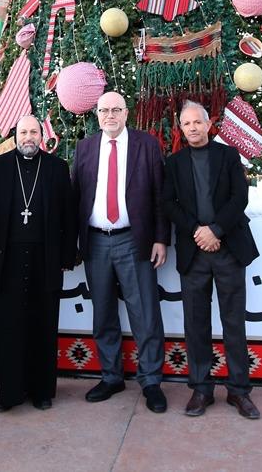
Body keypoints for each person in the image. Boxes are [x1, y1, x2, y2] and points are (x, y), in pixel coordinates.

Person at [70, 91, 170, 413]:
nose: (110, 115)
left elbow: (160, 195)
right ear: (97, 115)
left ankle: (151, 381)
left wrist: (160, 238)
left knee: (145, 313)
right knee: (103, 313)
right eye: (104, 110)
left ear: (126, 113)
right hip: (96, 241)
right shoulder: (85, 148)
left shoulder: (146, 144)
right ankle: (111, 377)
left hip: (134, 240)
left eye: (116, 110)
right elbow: (75, 196)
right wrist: (73, 243)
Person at [161, 101, 262, 419]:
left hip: (228, 248)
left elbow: (239, 197)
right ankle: (201, 389)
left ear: (208, 124)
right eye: (186, 123)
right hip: (194, 253)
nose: (192, 127)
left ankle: (239, 391)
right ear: (181, 128)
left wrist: (216, 230)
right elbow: (168, 203)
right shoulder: (173, 163)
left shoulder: (228, 156)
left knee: (234, 322)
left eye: (197, 122)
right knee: (196, 323)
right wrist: (198, 231)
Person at [0, 116, 76, 411]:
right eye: (23, 132)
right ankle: (8, 392)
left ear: (41, 136)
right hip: (5, 259)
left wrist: (65, 257)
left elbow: (69, 215)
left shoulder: (57, 167)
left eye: (33, 132)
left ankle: (41, 391)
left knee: (42, 324)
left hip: (45, 259)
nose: (28, 137)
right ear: (15, 135)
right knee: (8, 326)